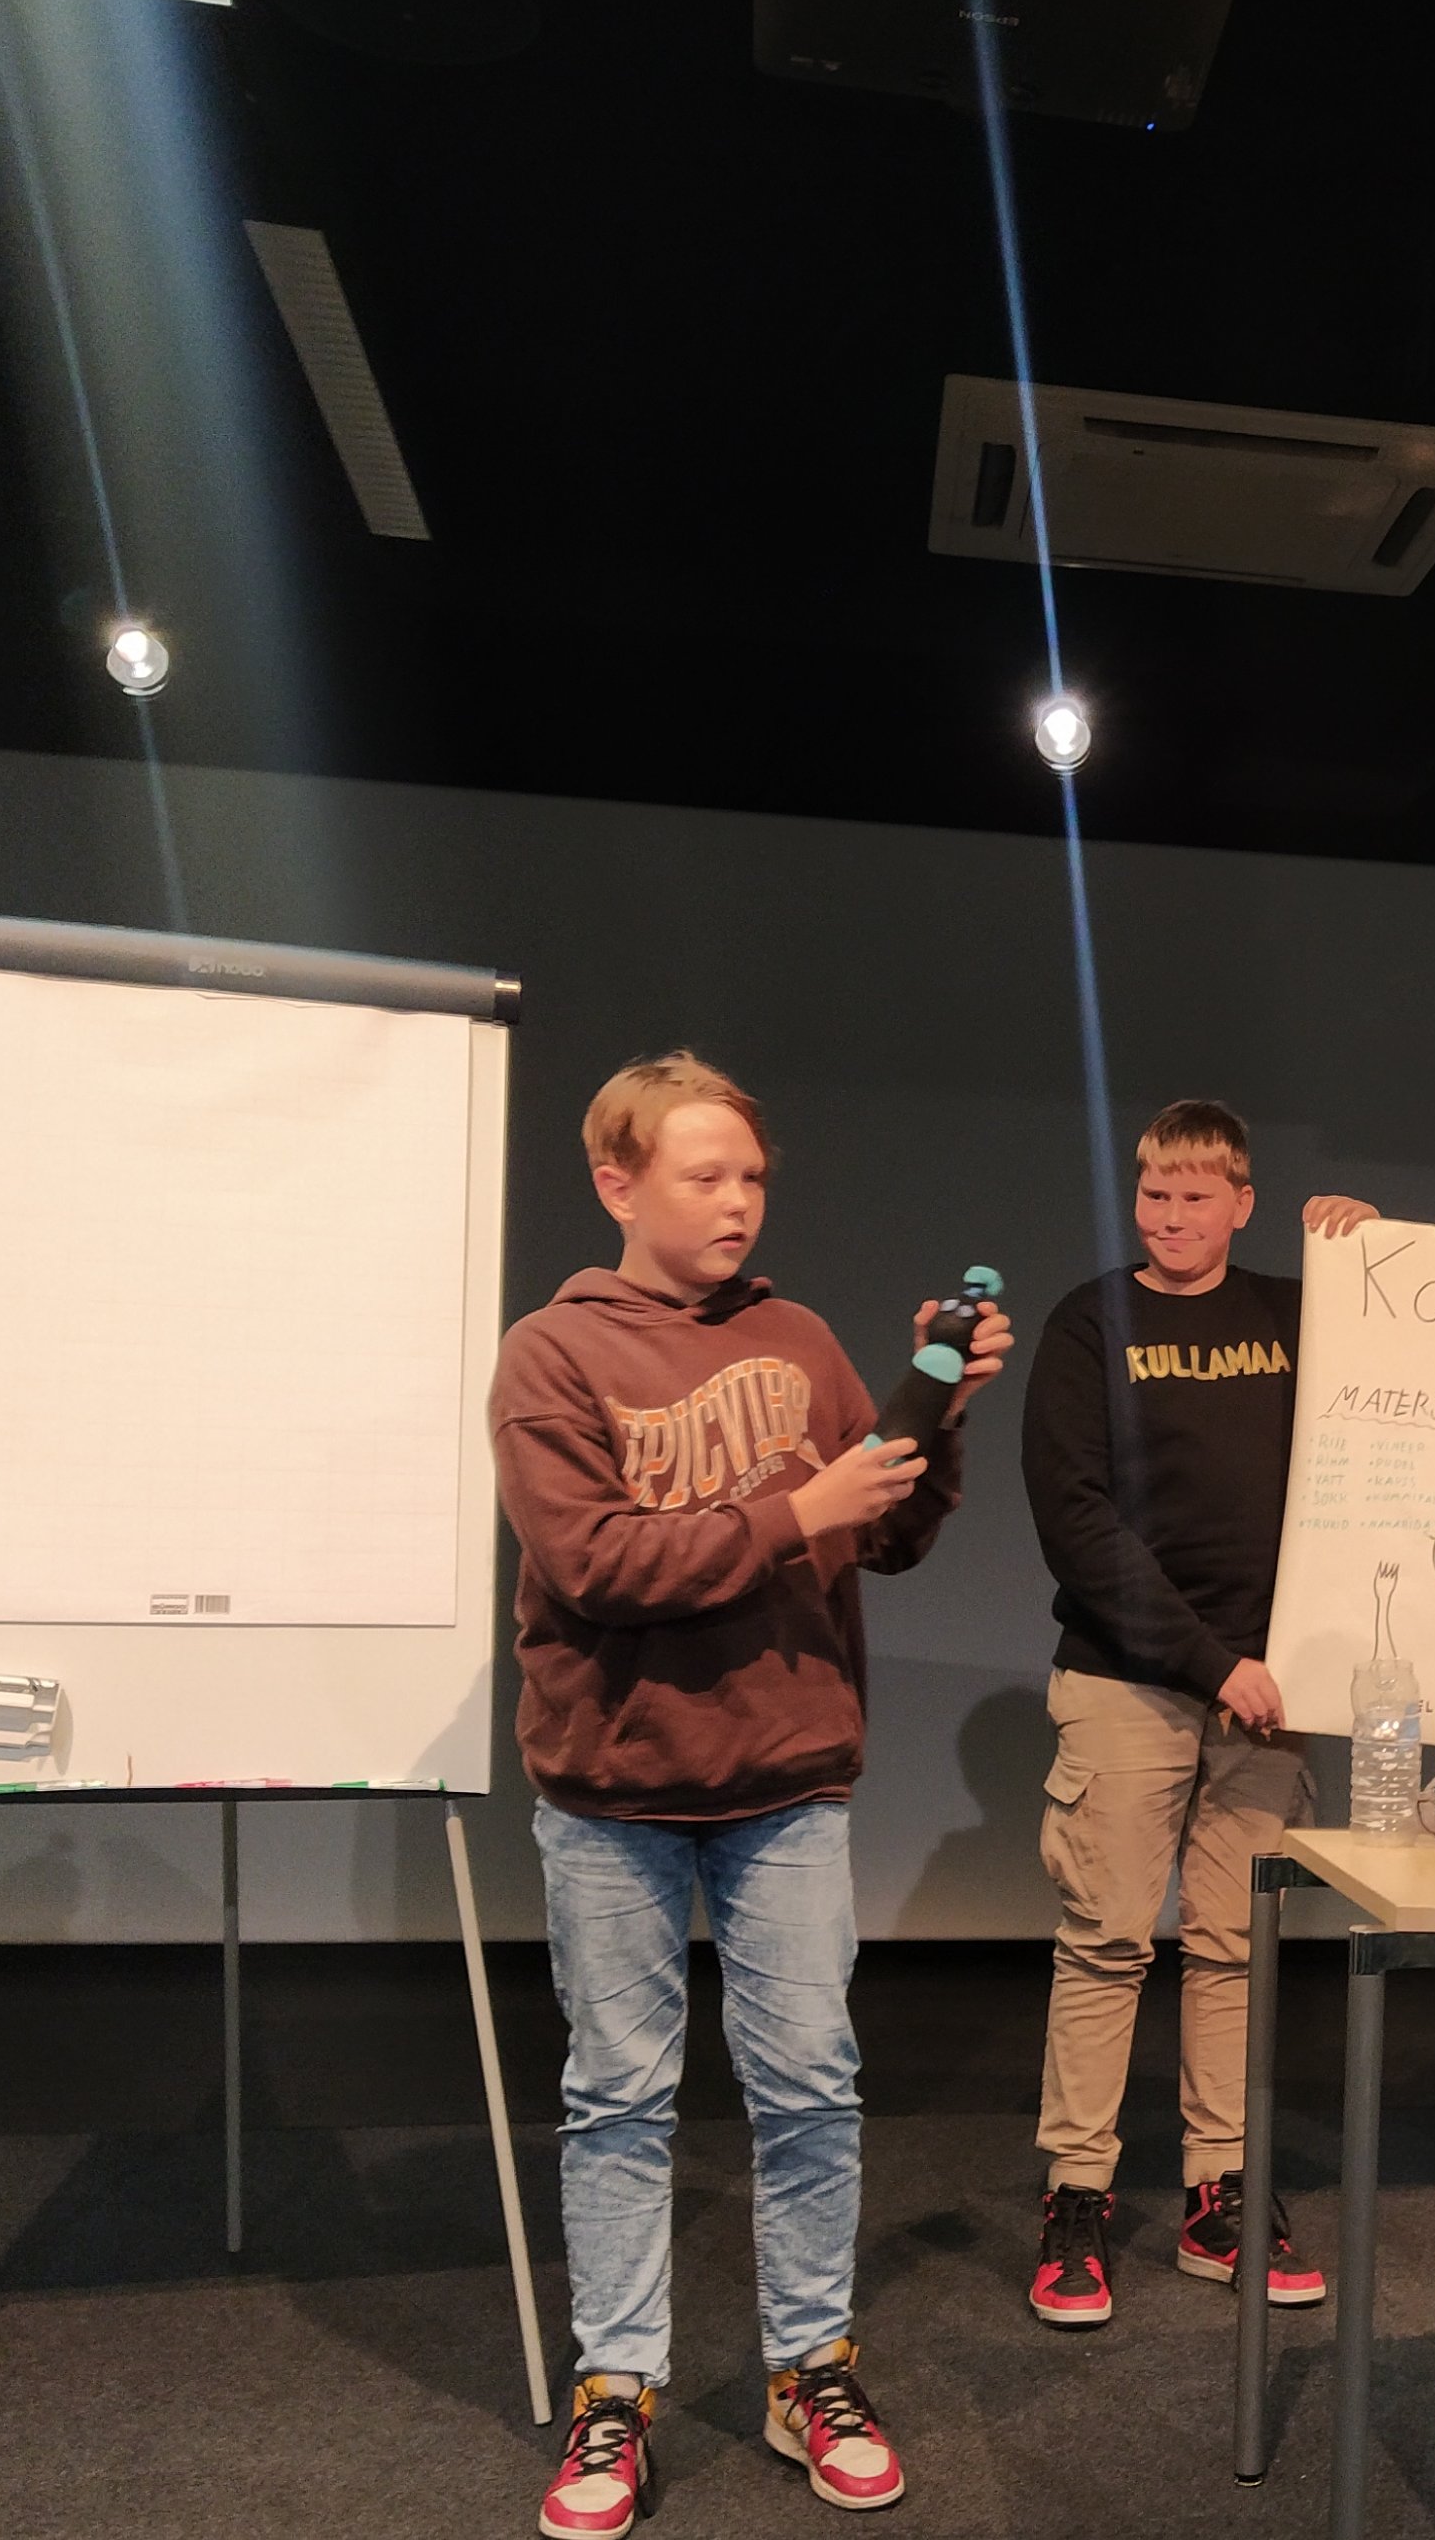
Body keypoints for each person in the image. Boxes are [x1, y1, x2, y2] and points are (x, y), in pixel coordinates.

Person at [493, 1051, 1013, 2532]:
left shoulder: (796, 1337)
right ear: (618, 1184)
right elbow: (593, 1563)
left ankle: (810, 2369)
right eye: (704, 1175)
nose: (737, 1201)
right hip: (615, 1792)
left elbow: (885, 1532)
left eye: (753, 1177)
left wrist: (938, 1409)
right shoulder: (552, 1352)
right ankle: (615, 2394)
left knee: (808, 2091)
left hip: (787, 1781)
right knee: (618, 2100)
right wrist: (796, 1512)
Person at [1017, 1098, 1375, 2325]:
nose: (1168, 1217)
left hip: (1269, 1697)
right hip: (1132, 1682)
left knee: (1233, 1947)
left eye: (1193, 1196)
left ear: (1242, 1203)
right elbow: (1075, 1518)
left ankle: (1221, 2190)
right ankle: (1077, 2196)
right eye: (1152, 1194)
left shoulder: (1293, 1312)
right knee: (1107, 1941)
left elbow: (1406, 1388)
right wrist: (1209, 1661)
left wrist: (1375, 1253)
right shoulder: (1090, 1325)